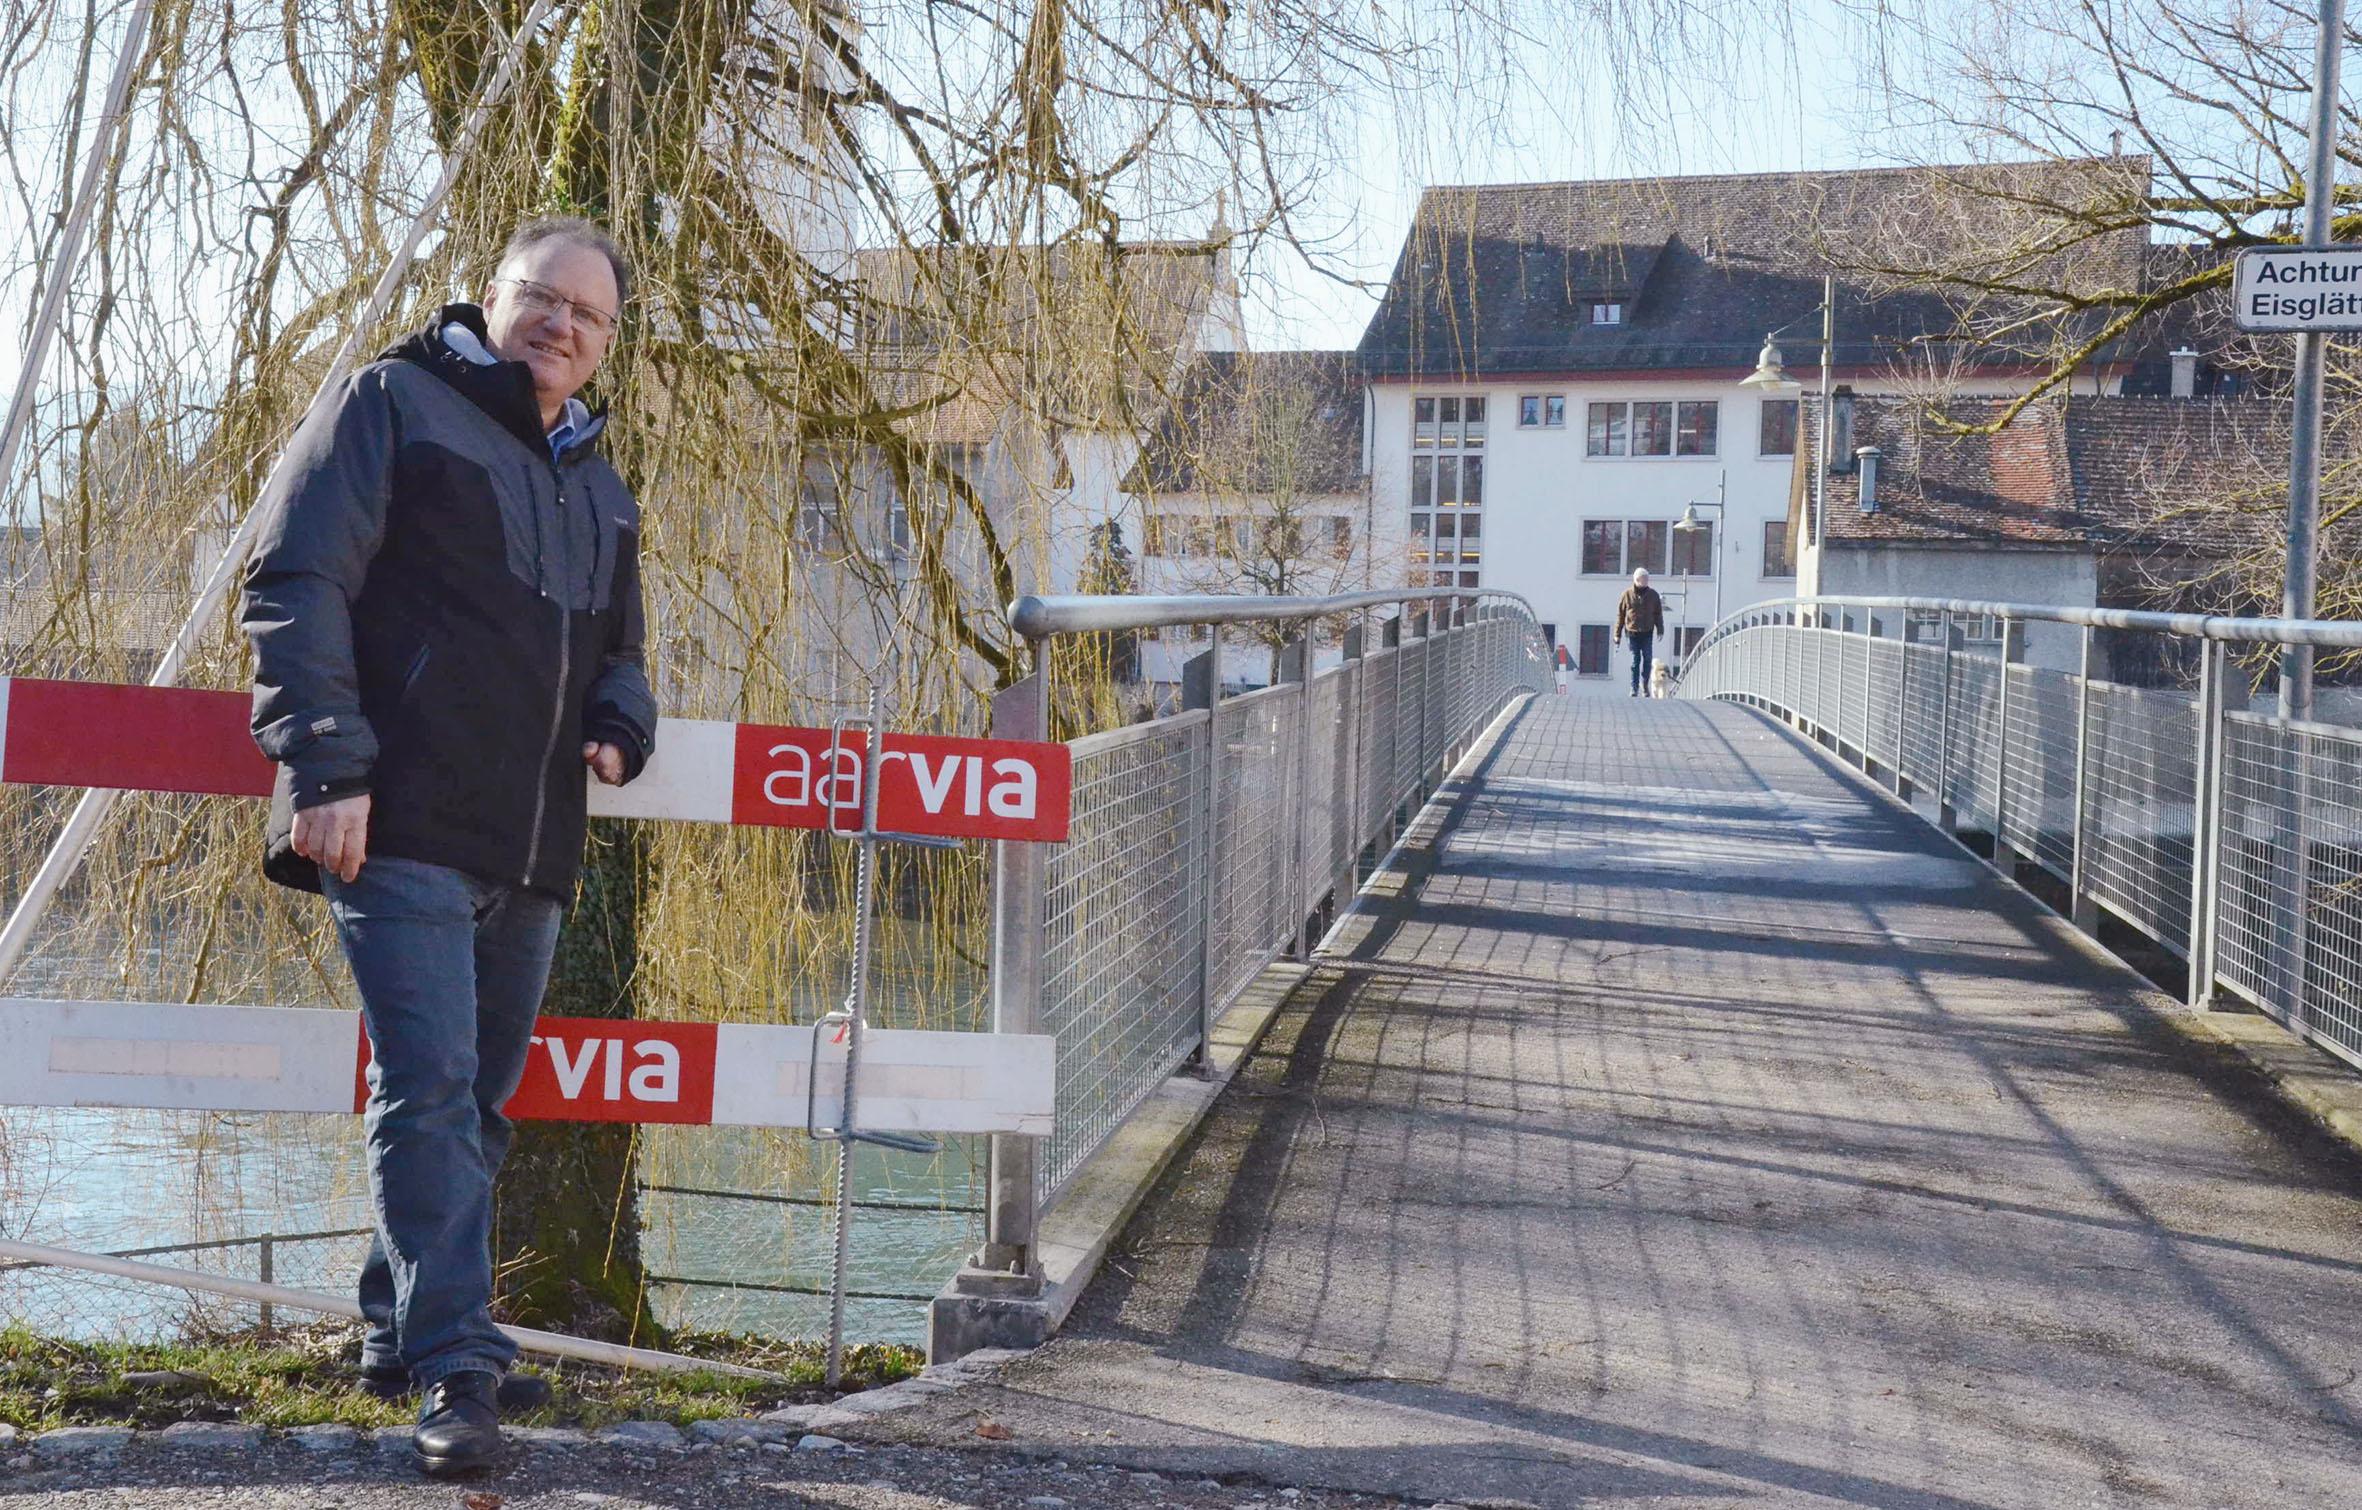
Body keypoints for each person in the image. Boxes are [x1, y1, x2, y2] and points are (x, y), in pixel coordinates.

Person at [241, 217, 658, 1477]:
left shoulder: (600, 480)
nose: (562, 324)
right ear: (496, 295)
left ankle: (393, 1324)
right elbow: (294, 572)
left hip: (530, 843)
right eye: (543, 296)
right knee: (426, 1090)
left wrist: (623, 720)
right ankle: (456, 1369)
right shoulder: (395, 402)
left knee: (472, 1103)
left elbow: (625, 651)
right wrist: (325, 761)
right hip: (397, 818)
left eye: (588, 314)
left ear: (605, 345)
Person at [1614, 567, 1667, 698]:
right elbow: (1620, 615)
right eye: (1644, 579)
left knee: (1648, 658)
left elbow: (1658, 614)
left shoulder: (1653, 595)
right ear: (1637, 580)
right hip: (1632, 632)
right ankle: (1634, 687)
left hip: (1647, 631)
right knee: (1635, 660)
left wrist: (1660, 629)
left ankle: (1645, 685)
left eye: (1647, 579)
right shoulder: (1627, 594)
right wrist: (1617, 634)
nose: (1646, 581)